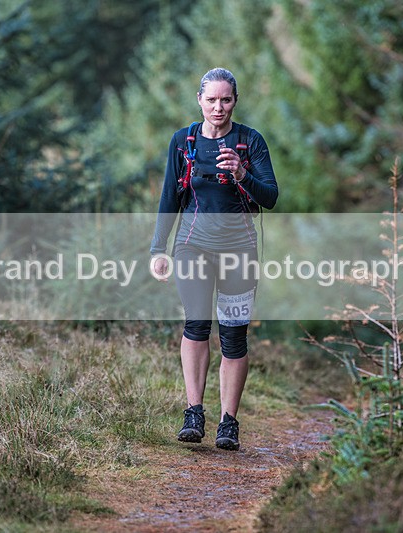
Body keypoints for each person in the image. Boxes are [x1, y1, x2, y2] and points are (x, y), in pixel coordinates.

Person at [150, 67, 278, 451]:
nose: (218, 107)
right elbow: (169, 198)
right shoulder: (182, 142)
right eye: (211, 99)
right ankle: (193, 413)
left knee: (234, 335)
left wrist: (242, 173)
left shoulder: (250, 142)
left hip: (240, 249)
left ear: (235, 101)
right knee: (197, 324)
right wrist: (158, 248)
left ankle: (228, 422)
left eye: (225, 99)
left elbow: (270, 197)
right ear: (200, 100)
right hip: (193, 246)